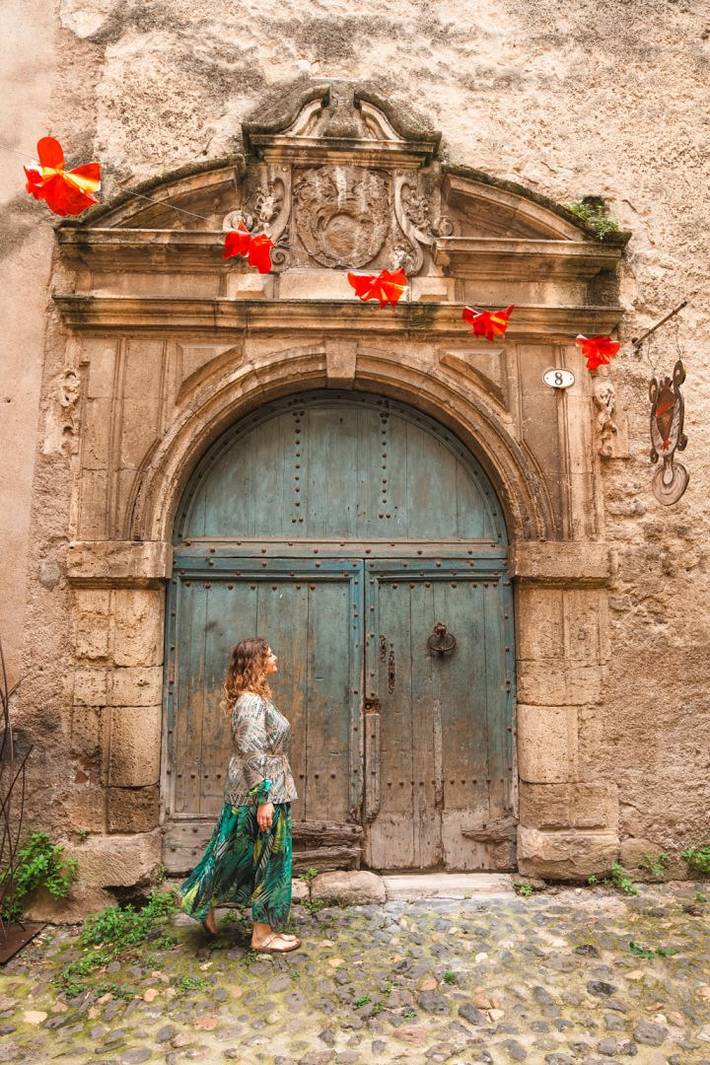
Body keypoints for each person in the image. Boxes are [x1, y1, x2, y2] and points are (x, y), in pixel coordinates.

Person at [178, 637, 301, 953]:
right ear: (256, 663)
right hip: (261, 794)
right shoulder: (250, 702)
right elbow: (250, 751)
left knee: (233, 851)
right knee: (270, 861)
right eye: (269, 653)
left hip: (262, 790)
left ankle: (202, 900)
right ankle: (262, 935)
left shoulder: (257, 698)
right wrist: (264, 798)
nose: (275, 655)